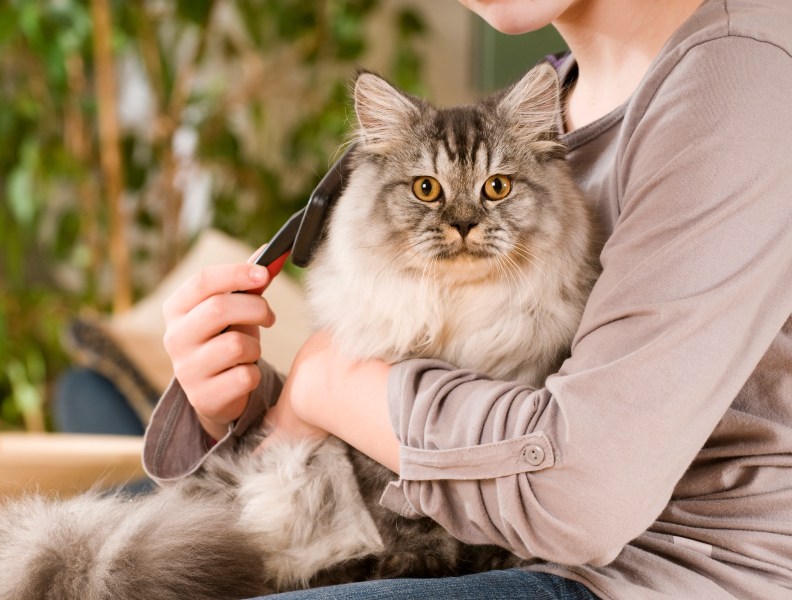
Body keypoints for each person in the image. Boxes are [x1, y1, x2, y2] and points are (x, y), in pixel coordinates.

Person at [143, 0, 792, 598]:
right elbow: (447, 433)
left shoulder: (742, 81)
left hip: (660, 573)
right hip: (481, 544)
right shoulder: (553, 93)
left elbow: (579, 492)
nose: (460, 217)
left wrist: (330, 382)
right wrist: (243, 403)